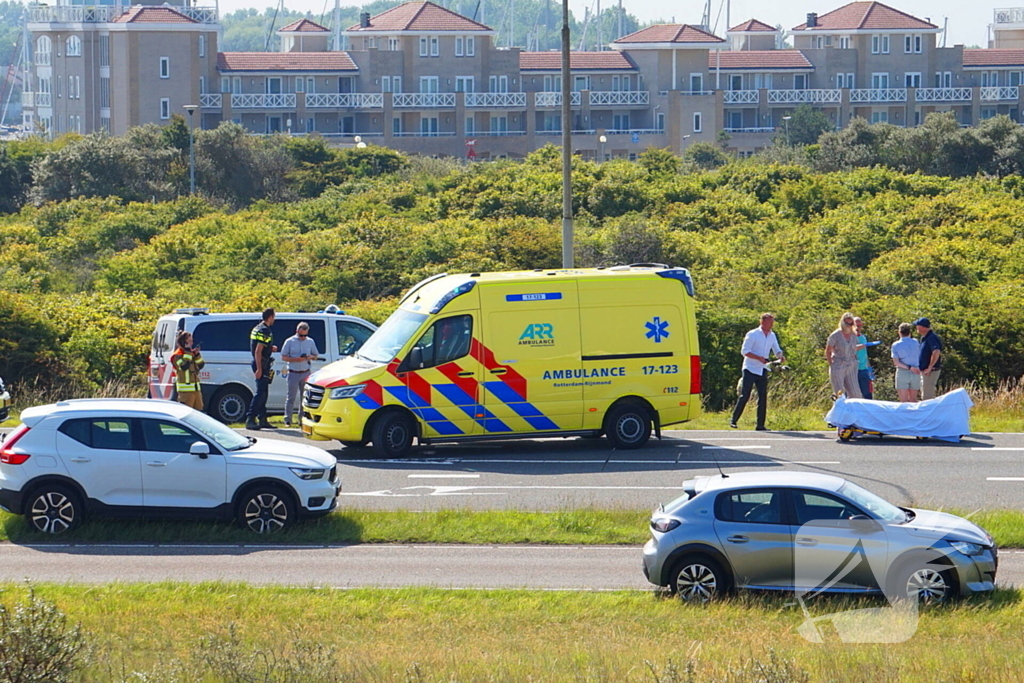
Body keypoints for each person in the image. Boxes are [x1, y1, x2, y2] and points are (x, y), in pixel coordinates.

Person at [730, 313, 786, 431]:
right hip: (750, 368)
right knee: (745, 395)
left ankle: (760, 425)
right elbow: (745, 351)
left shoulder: (772, 335)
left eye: (772, 322)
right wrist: (758, 358)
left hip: (763, 368)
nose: (772, 325)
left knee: (762, 396)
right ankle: (733, 420)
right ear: (763, 322)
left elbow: (776, 349)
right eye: (770, 322)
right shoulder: (753, 334)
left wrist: (780, 356)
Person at [280, 321, 319, 427]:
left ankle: (301, 419)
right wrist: (297, 359)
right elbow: (283, 357)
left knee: (304, 397)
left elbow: (316, 355)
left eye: (305, 335)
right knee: (291, 397)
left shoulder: (310, 341)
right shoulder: (289, 341)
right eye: (301, 335)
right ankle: (287, 419)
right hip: (293, 372)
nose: (303, 337)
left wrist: (310, 357)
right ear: (297, 331)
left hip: (305, 372)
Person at [245, 308, 277, 430]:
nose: (275, 319)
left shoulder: (258, 328)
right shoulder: (264, 330)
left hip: (262, 363)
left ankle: (262, 419)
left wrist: (270, 348)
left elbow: (260, 346)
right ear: (270, 317)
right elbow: (258, 351)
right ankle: (250, 418)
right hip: (261, 364)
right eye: (274, 317)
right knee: (260, 393)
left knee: (264, 392)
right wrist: (259, 369)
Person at [825, 312, 864, 399]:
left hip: (851, 365)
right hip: (838, 364)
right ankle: (840, 411)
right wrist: (832, 364)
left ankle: (854, 411)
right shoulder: (835, 335)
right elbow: (828, 351)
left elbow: (853, 348)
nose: (849, 326)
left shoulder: (854, 335)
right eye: (847, 324)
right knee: (839, 394)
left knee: (856, 393)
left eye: (851, 324)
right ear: (842, 322)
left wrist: (863, 346)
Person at [170, 330, 204, 411]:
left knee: (199, 412)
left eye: (192, 341)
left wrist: (197, 355)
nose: (192, 343)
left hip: (196, 391)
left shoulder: (189, 354)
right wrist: (188, 352)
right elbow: (184, 366)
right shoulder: (177, 355)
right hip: (185, 393)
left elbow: (201, 365)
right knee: (186, 413)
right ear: (183, 342)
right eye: (189, 341)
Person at [890, 322, 921, 403]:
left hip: (902, 372)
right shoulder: (915, 342)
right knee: (913, 400)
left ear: (899, 332)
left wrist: (909, 367)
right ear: (910, 332)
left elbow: (896, 362)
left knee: (903, 401)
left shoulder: (896, 345)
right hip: (916, 371)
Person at [915, 317, 943, 400]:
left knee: (927, 396)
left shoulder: (931, 337)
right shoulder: (925, 338)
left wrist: (930, 367)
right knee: (925, 394)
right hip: (925, 371)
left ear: (923, 327)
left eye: (917, 325)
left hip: (930, 371)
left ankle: (930, 413)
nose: (916, 327)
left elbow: (936, 351)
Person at [853, 317, 873, 400]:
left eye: (859, 326)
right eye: (856, 325)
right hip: (853, 370)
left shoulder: (863, 337)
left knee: (868, 394)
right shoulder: (849, 338)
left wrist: (870, 371)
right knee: (853, 395)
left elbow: (865, 354)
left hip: (864, 369)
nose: (858, 328)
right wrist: (864, 345)